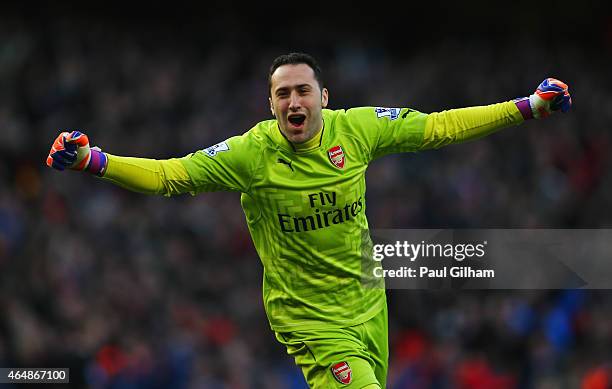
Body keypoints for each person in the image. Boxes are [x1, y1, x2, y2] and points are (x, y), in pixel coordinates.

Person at [46, 52, 572, 388]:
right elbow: (171, 176)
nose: (292, 101)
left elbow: (440, 127)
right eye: (282, 93)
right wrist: (97, 161)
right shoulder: (252, 153)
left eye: (302, 91)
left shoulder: (358, 130)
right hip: (311, 320)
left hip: (370, 305)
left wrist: (525, 106)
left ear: (324, 98)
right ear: (271, 105)